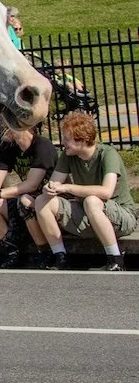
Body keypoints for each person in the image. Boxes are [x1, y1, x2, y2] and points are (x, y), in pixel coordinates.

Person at [33, 111, 135, 271]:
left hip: (120, 217)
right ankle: (61, 257)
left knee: (92, 200)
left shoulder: (107, 154)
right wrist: (49, 188)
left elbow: (106, 192)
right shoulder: (67, 156)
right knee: (42, 201)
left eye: (67, 139)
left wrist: (66, 187)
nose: (63, 142)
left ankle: (115, 260)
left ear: (83, 139)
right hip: (89, 215)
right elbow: (54, 183)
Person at [0, 124, 59, 268]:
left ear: (24, 125)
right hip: (26, 198)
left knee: (24, 201)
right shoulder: (8, 147)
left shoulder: (42, 146)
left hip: (48, 200)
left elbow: (32, 184)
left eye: (8, 124)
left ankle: (45, 253)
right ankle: (13, 252)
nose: (3, 129)